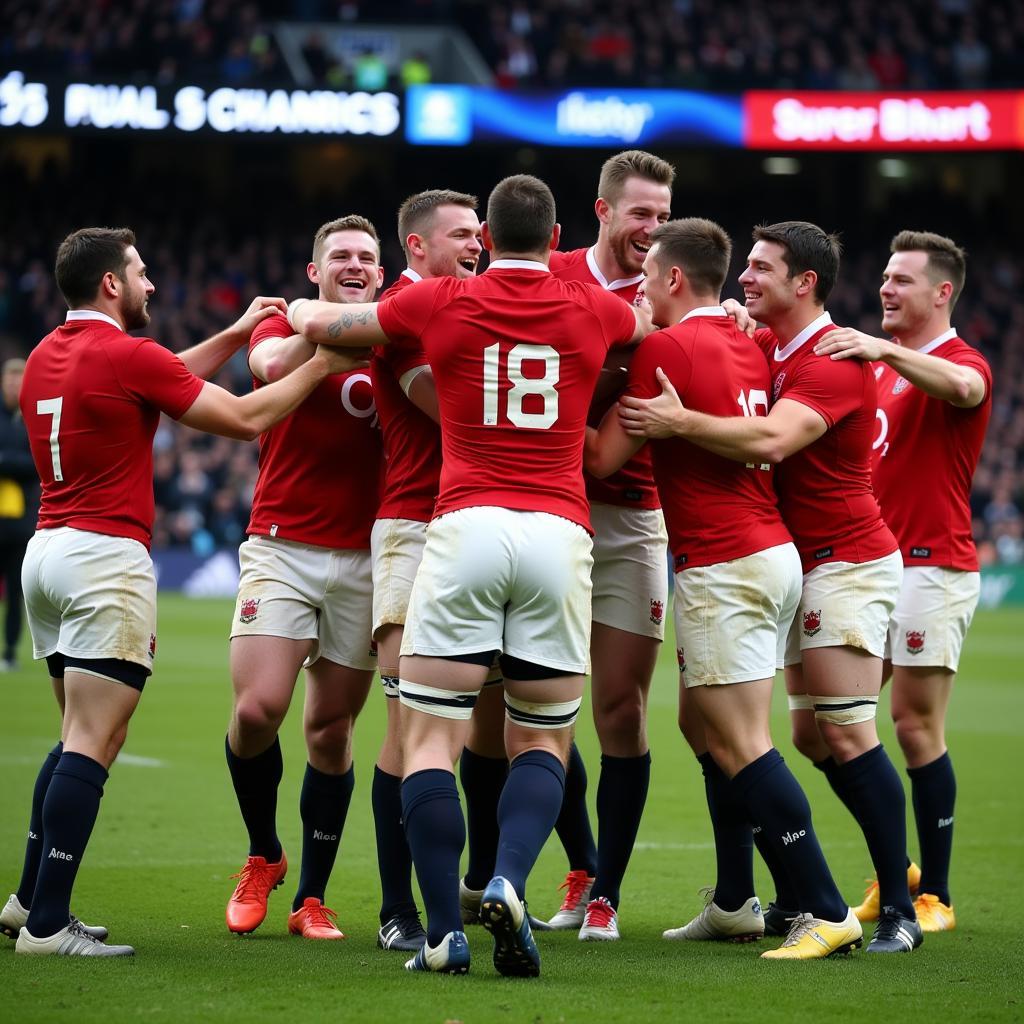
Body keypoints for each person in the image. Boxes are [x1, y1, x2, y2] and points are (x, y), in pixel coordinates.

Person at [288, 174, 651, 976]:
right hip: (561, 531)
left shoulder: (441, 302)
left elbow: (331, 320)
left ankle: (443, 932)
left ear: (485, 236)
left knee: (425, 736)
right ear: (556, 238)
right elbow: (645, 320)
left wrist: (301, 310)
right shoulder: (591, 306)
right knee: (545, 739)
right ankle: (512, 880)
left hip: (464, 526)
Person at [1, 226, 362, 957]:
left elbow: (157, 381)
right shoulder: (129, 355)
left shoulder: (47, 352)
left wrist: (231, 335)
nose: (151, 286)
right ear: (111, 285)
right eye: (139, 273)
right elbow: (245, 417)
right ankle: (48, 926)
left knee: (74, 733)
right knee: (95, 742)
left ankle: (24, 902)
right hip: (106, 557)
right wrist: (322, 364)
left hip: (47, 554)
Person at [620, 220, 922, 956]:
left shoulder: (832, 357)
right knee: (754, 729)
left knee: (845, 732)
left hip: (847, 558)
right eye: (743, 268)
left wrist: (673, 420)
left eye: (760, 270)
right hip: (788, 554)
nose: (744, 281)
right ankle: (743, 898)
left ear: (805, 283)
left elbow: (772, 441)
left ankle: (897, 909)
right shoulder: (763, 347)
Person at [813, 230, 991, 933]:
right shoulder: (883, 369)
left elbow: (968, 388)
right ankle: (898, 867)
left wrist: (885, 348)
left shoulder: (956, 361)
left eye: (902, 280)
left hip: (932, 562)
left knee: (915, 727)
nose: (886, 288)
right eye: (884, 277)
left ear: (941, 293)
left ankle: (933, 895)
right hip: (872, 563)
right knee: (818, 730)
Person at [222, 216, 384, 942]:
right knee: (258, 712)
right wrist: (324, 338)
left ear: (382, 274)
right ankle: (264, 853)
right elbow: (271, 368)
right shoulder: (286, 323)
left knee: (329, 730)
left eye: (366, 258)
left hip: (367, 557)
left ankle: (311, 899)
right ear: (314, 271)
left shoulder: (400, 336)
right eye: (341, 257)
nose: (354, 265)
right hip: (281, 544)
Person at [544, 149, 674, 941]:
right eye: (640, 214)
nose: (652, 230)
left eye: (663, 216)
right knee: (544, 709)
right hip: (550, 512)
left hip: (632, 517)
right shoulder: (554, 274)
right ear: (602, 211)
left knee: (620, 707)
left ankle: (607, 895)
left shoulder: (678, 292)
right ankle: (581, 862)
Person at [368, 189, 485, 952]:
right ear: (417, 249)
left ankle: (468, 894)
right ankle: (398, 908)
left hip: (476, 527)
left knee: (480, 727)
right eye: (461, 237)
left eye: (481, 235)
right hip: (416, 525)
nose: (476, 246)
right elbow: (455, 410)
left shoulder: (468, 306)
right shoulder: (405, 312)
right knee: (411, 726)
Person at [0, 358, 38, 670]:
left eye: (18, 381)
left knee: (16, 591)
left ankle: (10, 652)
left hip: (23, 521)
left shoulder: (34, 417)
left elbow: (37, 465)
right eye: (10, 381)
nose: (14, 386)